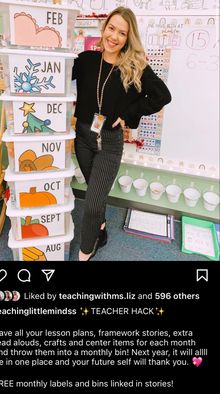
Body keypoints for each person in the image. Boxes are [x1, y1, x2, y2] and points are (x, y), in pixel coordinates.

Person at [72, 6, 171, 261]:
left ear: (129, 38)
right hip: (82, 137)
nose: (114, 36)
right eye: (112, 28)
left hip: (109, 142)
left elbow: (162, 96)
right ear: (104, 29)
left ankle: (85, 252)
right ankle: (101, 229)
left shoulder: (134, 67)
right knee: (96, 191)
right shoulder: (85, 60)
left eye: (122, 33)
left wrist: (128, 114)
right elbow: (56, 74)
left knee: (92, 203)